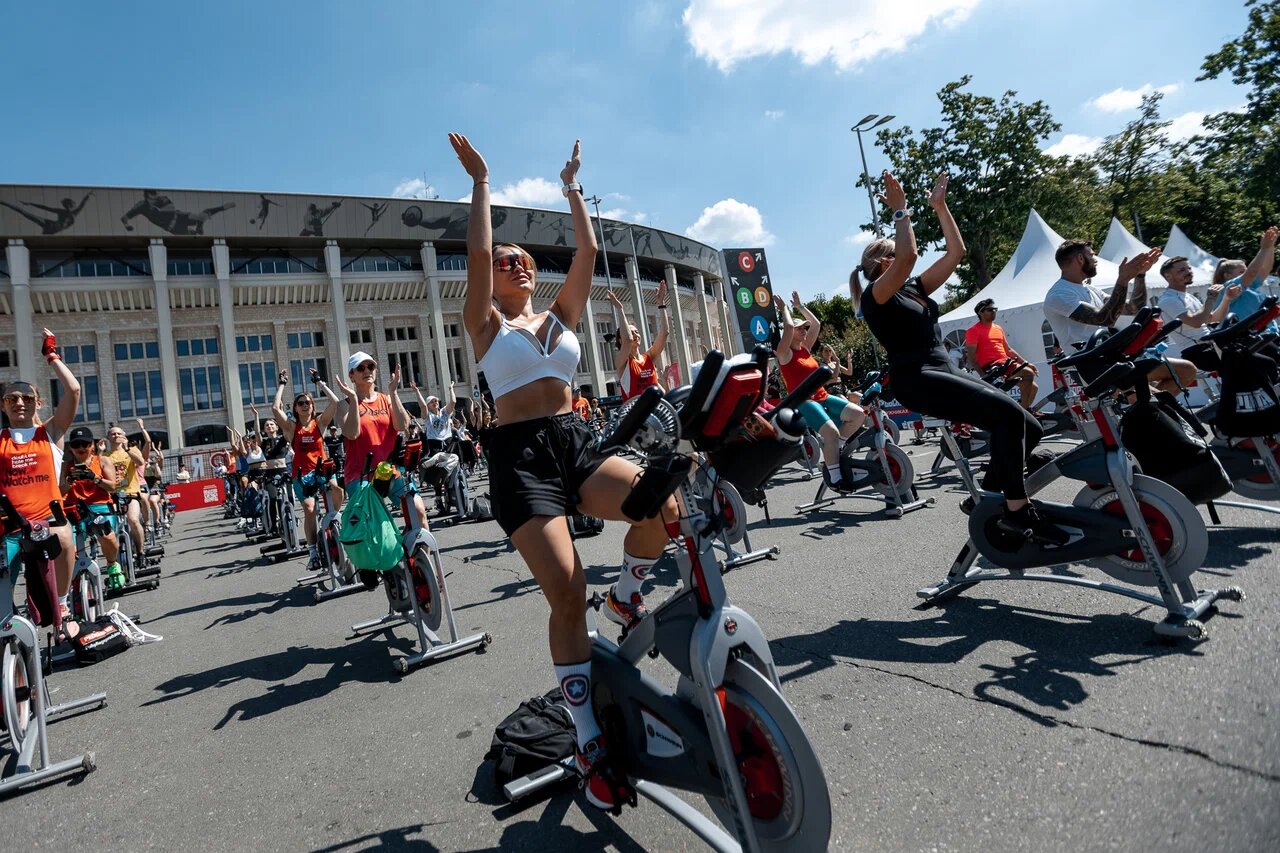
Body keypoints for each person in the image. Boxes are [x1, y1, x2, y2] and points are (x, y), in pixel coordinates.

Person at [451, 131, 677, 809]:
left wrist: (572, 186)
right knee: (568, 592)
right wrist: (482, 183)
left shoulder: (560, 316)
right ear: (494, 279)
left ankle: (629, 594)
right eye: (508, 262)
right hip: (519, 458)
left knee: (662, 506)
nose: (518, 266)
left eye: (525, 261)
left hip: (575, 437)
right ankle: (586, 735)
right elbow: (479, 251)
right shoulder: (485, 325)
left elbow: (585, 252)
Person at [852, 172, 1066, 542]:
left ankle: (989, 496)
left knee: (1029, 425)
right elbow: (909, 255)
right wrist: (901, 211)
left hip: (944, 367)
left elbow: (957, 253)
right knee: (1007, 417)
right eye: (896, 258)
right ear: (884, 265)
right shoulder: (877, 296)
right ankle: (1016, 510)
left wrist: (940, 207)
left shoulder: (915, 288)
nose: (907, 264)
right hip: (917, 377)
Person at [0, 329, 81, 638]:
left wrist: (52, 357)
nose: (20, 402)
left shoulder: (49, 433)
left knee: (62, 537)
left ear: (37, 403)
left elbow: (73, 391)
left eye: (27, 398)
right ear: (4, 405)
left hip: (48, 522)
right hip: (9, 527)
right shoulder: (1, 440)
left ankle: (61, 604)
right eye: (12, 398)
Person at [1043, 240, 1196, 393]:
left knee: (1186, 370)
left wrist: (1140, 276)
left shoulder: (1090, 289)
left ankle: (1145, 408)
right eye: (1092, 255)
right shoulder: (1059, 294)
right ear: (1080, 259)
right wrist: (1122, 280)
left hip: (1112, 358)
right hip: (1091, 367)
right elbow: (1104, 319)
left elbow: (1134, 307)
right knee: (1158, 403)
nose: (1096, 260)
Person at [774, 290, 866, 492]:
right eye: (800, 329)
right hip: (804, 402)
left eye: (803, 330)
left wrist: (800, 307)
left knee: (858, 415)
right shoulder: (784, 353)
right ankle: (834, 478)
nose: (804, 331)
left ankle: (835, 448)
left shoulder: (805, 349)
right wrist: (784, 310)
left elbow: (815, 324)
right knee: (831, 432)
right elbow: (788, 325)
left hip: (823, 397)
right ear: (790, 334)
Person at [331, 352, 430, 531]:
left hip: (390, 469)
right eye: (360, 368)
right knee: (375, 526)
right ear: (351, 375)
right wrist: (354, 400)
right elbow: (352, 433)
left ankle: (419, 556)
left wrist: (393, 392)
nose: (367, 371)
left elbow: (402, 425)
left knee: (418, 512)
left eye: (371, 367)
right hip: (360, 474)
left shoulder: (386, 399)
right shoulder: (344, 404)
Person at [272, 369, 342, 570]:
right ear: (295, 407)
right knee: (310, 509)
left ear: (313, 406)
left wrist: (320, 382)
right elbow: (276, 408)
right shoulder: (292, 428)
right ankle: (312, 552)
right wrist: (282, 384)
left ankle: (333, 524)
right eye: (300, 403)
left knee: (337, 491)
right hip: (302, 475)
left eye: (308, 402)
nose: (305, 405)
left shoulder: (319, 423)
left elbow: (335, 402)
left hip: (323, 470)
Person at [59, 425, 122, 586]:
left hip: (99, 506)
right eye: (76, 445)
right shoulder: (66, 465)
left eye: (85, 444)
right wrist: (69, 480)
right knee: (67, 546)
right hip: (73, 508)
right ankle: (74, 584)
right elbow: (60, 490)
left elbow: (112, 486)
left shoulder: (102, 460)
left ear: (92, 445)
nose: (81, 448)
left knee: (107, 535)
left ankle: (112, 564)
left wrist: (94, 478)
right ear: (71, 448)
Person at [1156, 257, 1237, 366]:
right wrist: (1210, 299)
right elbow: (1195, 322)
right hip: (1197, 351)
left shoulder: (1188, 296)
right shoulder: (1168, 299)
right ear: (1168, 276)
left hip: (1210, 345)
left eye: (1189, 268)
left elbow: (1212, 318)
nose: (1188, 272)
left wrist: (1227, 299)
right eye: (1182, 270)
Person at [964, 298, 1039, 409]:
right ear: (981, 312)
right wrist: (983, 375)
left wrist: (1026, 363)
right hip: (993, 367)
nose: (994, 311)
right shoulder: (973, 331)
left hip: (1005, 364)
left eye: (995, 309)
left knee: (1034, 388)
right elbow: (971, 356)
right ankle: (1024, 412)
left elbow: (1008, 350)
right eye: (990, 309)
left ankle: (1022, 412)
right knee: (1029, 373)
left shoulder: (998, 328)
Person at [1210, 226, 1279, 337]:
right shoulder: (1226, 288)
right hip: (1251, 341)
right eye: (1242, 271)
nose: (1246, 273)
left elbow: (1266, 268)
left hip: (1267, 336)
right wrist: (1264, 248)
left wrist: (1270, 246)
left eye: (1246, 270)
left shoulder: (1249, 286)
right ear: (1227, 275)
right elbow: (1252, 272)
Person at [607, 280, 669, 401]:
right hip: (636, 416)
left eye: (636, 331)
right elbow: (628, 340)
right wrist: (620, 309)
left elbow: (665, 332)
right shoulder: (622, 362)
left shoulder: (649, 357)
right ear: (620, 340)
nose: (635, 334)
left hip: (655, 414)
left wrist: (661, 304)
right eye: (631, 332)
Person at [105, 424, 147, 556]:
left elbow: (140, 462)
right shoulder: (105, 455)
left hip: (131, 493)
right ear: (108, 437)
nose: (116, 436)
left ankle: (140, 551)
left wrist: (127, 449)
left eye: (119, 434)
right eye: (113, 434)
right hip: (112, 495)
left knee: (133, 520)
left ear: (124, 436)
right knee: (111, 527)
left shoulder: (132, 450)